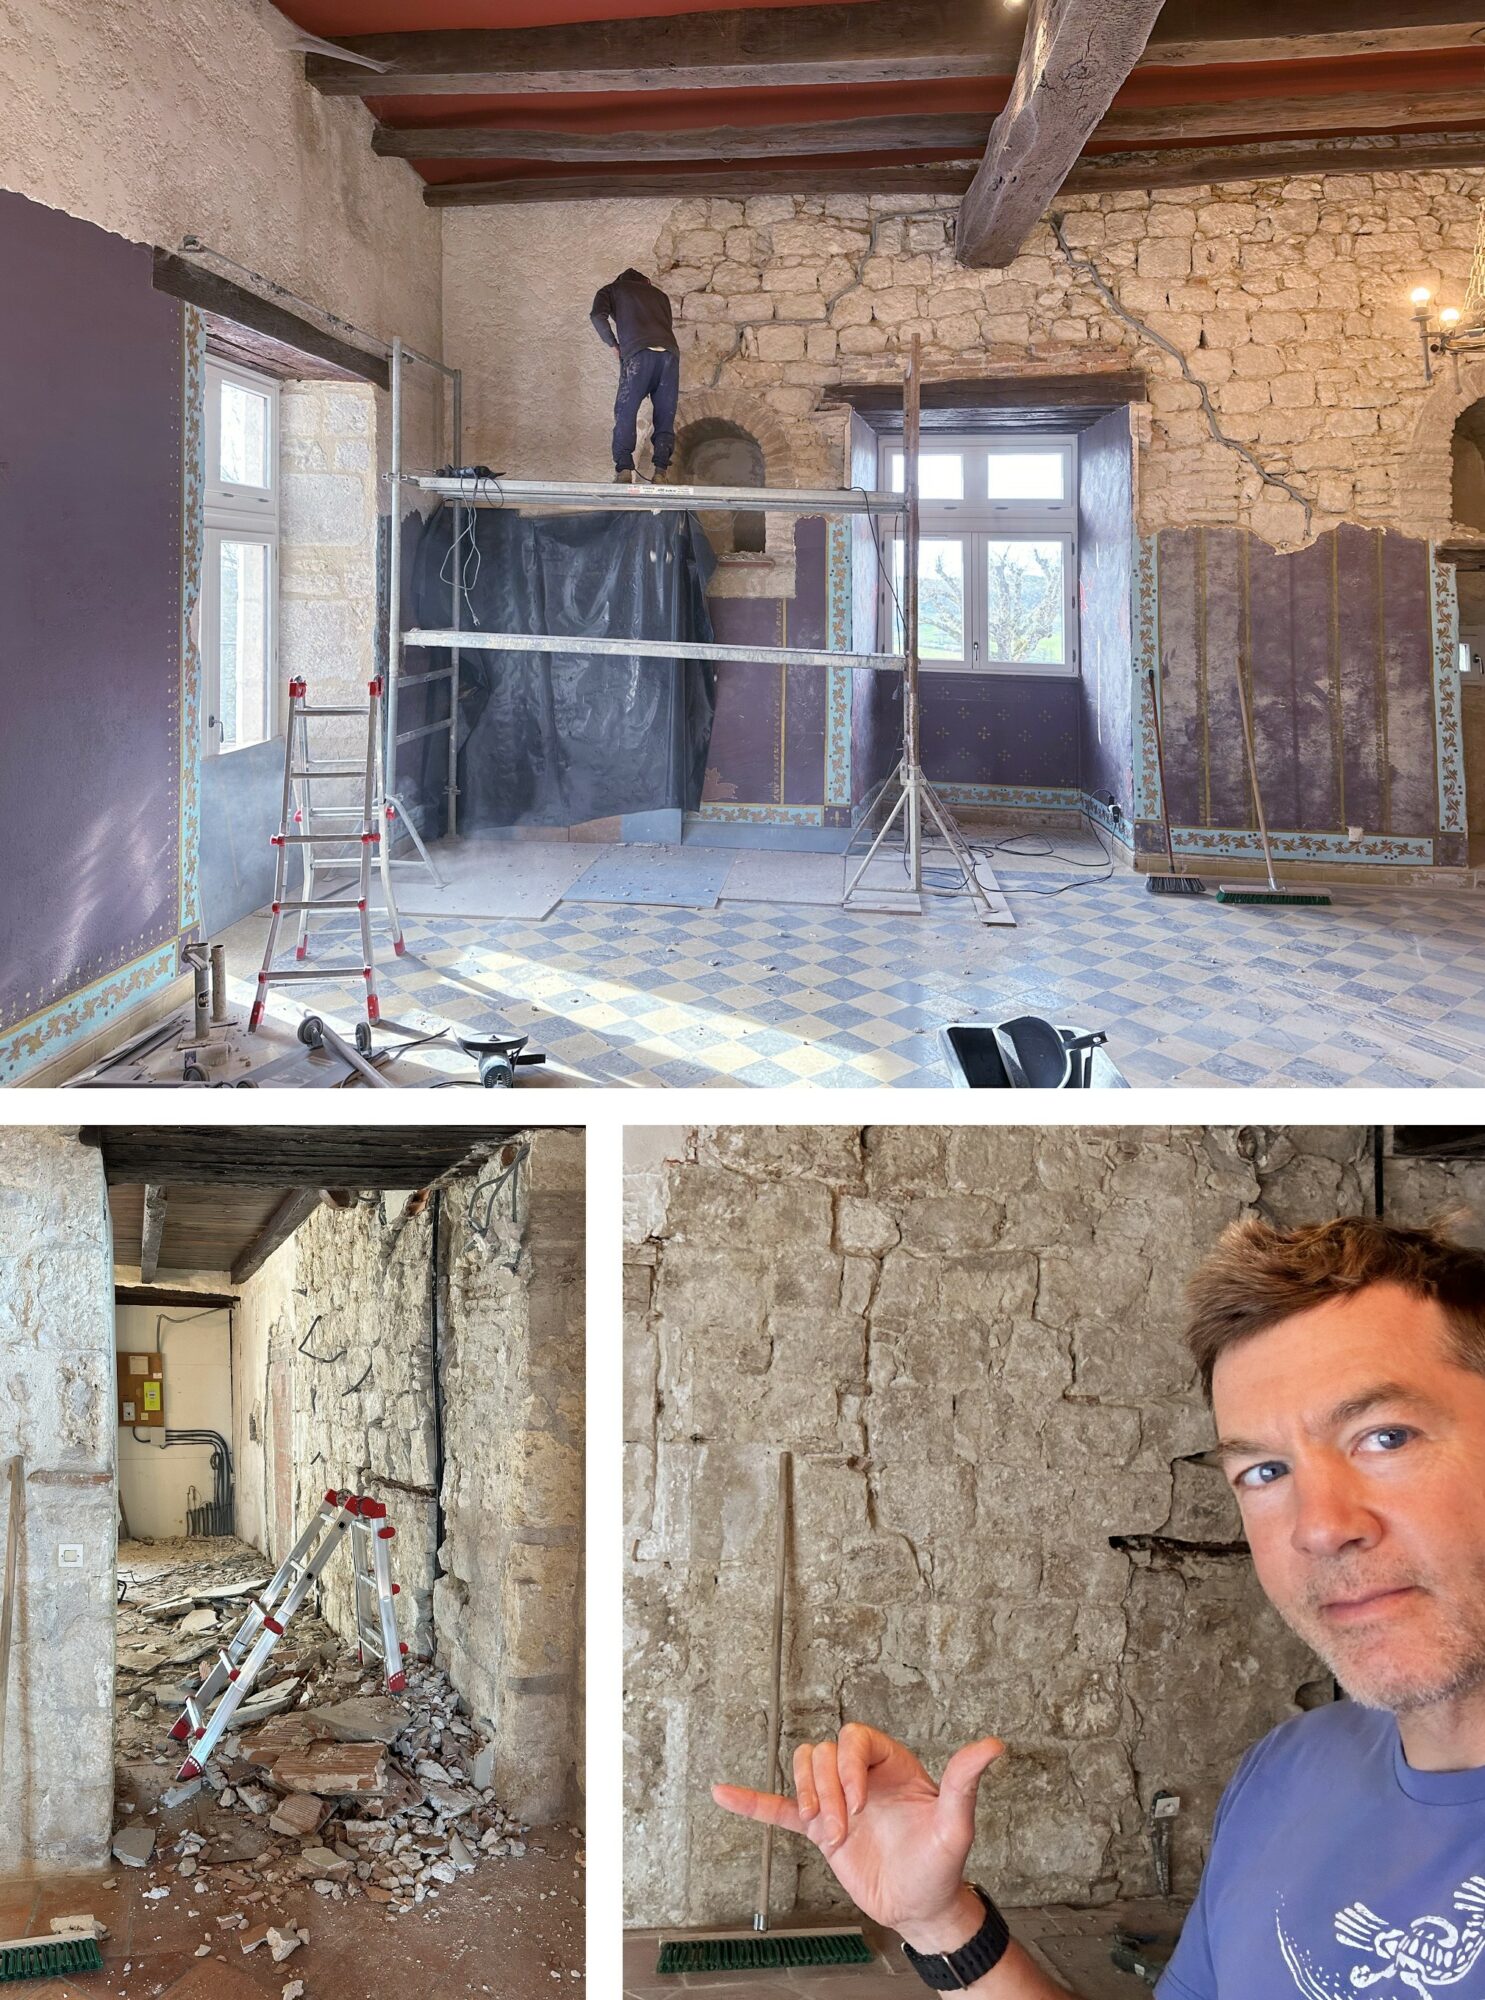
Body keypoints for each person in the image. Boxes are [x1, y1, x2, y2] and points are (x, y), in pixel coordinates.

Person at [715, 1215, 1485, 1999]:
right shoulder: (1287, 1774)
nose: (1318, 1528)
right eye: (1262, 1472)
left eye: (1385, 1437)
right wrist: (941, 1923)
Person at [589, 269, 680, 484]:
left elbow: (597, 316)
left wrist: (613, 344)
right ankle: (660, 472)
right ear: (646, 282)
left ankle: (624, 469)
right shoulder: (660, 295)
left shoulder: (612, 290)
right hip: (669, 355)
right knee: (665, 414)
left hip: (639, 354)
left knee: (626, 411)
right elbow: (666, 325)